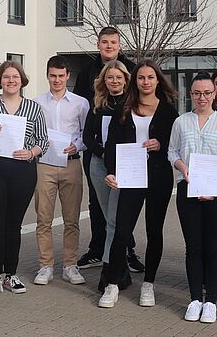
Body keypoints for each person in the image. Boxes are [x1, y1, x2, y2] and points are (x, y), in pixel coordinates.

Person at [98, 60, 178, 308]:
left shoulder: (167, 110)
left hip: (158, 177)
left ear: (157, 80)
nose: (145, 82)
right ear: (135, 81)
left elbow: (176, 144)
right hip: (130, 177)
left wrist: (160, 145)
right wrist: (111, 171)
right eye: (141, 77)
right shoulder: (124, 106)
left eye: (150, 77)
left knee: (154, 232)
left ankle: (148, 284)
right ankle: (112, 284)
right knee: (121, 230)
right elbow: (111, 143)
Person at [0, 61, 49, 296]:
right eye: (6, 77)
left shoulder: (34, 108)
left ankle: (11, 274)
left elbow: (43, 141)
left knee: (13, 224)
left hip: (22, 170)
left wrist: (31, 152)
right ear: (0, 80)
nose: (11, 81)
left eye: (15, 77)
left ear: (22, 80)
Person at [168, 72, 217, 324]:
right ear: (190, 94)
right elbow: (172, 150)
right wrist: (181, 166)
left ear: (214, 94)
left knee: (213, 246)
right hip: (188, 190)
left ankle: (211, 302)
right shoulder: (181, 122)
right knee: (193, 247)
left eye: (207, 93)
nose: (202, 97)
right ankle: (195, 298)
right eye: (197, 93)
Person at [74, 27, 143, 273]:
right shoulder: (86, 72)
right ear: (99, 44)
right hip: (95, 151)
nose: (109, 46)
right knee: (97, 202)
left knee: (123, 206)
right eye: (105, 42)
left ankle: (127, 251)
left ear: (119, 45)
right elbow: (83, 108)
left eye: (113, 42)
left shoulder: (133, 69)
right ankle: (98, 249)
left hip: (127, 157)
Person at [32, 56, 90, 286]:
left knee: (71, 219)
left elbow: (87, 132)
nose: (57, 80)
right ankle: (45, 266)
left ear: (68, 76)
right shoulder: (36, 103)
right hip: (44, 165)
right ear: (47, 76)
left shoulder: (80, 103)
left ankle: (70, 265)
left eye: (61, 75)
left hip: (72, 163)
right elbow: (33, 133)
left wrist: (77, 145)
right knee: (43, 218)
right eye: (53, 75)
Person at [82, 60, 134, 292]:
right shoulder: (97, 105)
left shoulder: (132, 104)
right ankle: (120, 270)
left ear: (125, 79)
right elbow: (87, 137)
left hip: (124, 167)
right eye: (110, 77)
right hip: (99, 165)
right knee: (108, 218)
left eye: (118, 77)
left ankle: (109, 270)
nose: (114, 81)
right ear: (104, 80)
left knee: (114, 220)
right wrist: (102, 152)